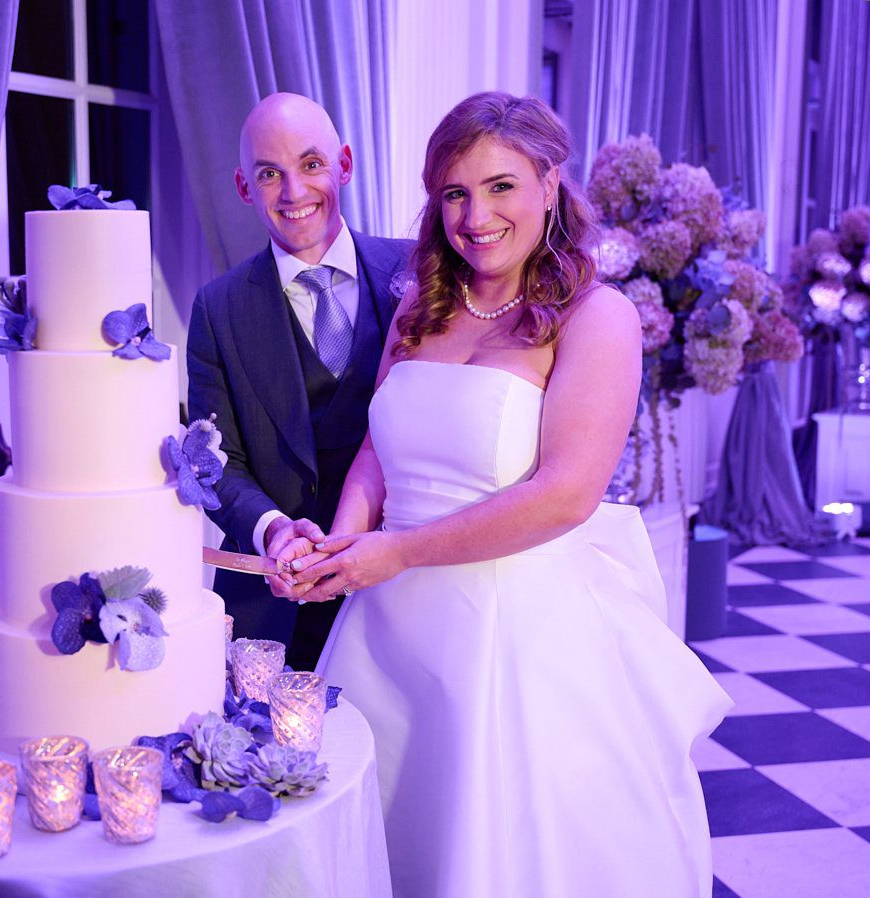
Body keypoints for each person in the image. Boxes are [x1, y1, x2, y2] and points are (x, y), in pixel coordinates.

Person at [270, 93, 733, 898]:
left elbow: (565, 495)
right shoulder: (421, 304)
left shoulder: (598, 318)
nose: (475, 215)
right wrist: (342, 543)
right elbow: (382, 447)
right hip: (383, 630)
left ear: (551, 185)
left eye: (501, 187)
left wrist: (397, 552)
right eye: (454, 192)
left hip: (512, 641)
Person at [187, 92, 413, 670]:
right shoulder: (217, 310)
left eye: (311, 164)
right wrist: (272, 530)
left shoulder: (420, 272)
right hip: (275, 609)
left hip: (410, 592)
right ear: (243, 187)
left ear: (344, 163)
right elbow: (218, 464)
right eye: (269, 174)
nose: (293, 192)